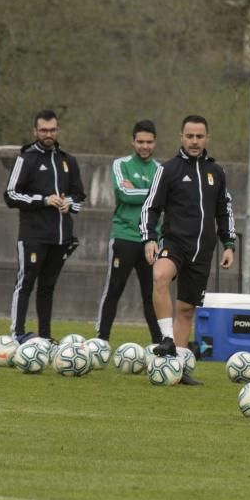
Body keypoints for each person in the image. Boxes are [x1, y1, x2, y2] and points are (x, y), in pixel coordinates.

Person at [140, 114, 236, 385]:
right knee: (159, 276)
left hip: (203, 250)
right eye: (190, 136)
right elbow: (151, 207)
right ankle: (167, 339)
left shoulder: (216, 172)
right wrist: (149, 237)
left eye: (199, 136)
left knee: (186, 309)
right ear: (181, 137)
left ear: (207, 138)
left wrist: (229, 244)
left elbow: (224, 209)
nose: (195, 141)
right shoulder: (167, 169)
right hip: (174, 243)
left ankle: (178, 369)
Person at [4, 109, 86, 344]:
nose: (48, 134)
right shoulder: (26, 159)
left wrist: (69, 203)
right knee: (25, 283)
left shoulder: (67, 160)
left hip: (61, 237)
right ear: (35, 131)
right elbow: (10, 195)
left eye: (52, 130)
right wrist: (43, 200)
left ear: (57, 130)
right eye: (43, 130)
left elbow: (79, 195)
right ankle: (17, 333)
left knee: (48, 287)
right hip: (33, 235)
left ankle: (45, 336)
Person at [95, 119, 163, 344]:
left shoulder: (161, 170)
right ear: (133, 141)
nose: (145, 146)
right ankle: (101, 340)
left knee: (151, 295)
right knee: (114, 289)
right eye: (140, 141)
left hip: (149, 241)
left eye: (149, 142)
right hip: (123, 236)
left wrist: (143, 192)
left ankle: (159, 344)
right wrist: (154, 193)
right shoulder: (120, 164)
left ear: (155, 143)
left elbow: (165, 201)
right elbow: (123, 193)